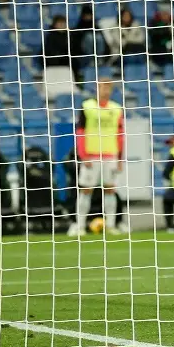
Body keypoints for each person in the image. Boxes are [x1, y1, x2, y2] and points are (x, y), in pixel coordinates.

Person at [68, 77, 125, 236]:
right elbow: (80, 132)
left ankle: (112, 225)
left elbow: (120, 135)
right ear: (96, 89)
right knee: (86, 190)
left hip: (110, 155)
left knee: (110, 190)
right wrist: (83, 155)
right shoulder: (87, 107)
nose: (105, 90)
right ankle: (79, 226)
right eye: (102, 87)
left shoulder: (116, 109)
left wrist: (120, 158)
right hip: (91, 156)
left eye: (108, 88)